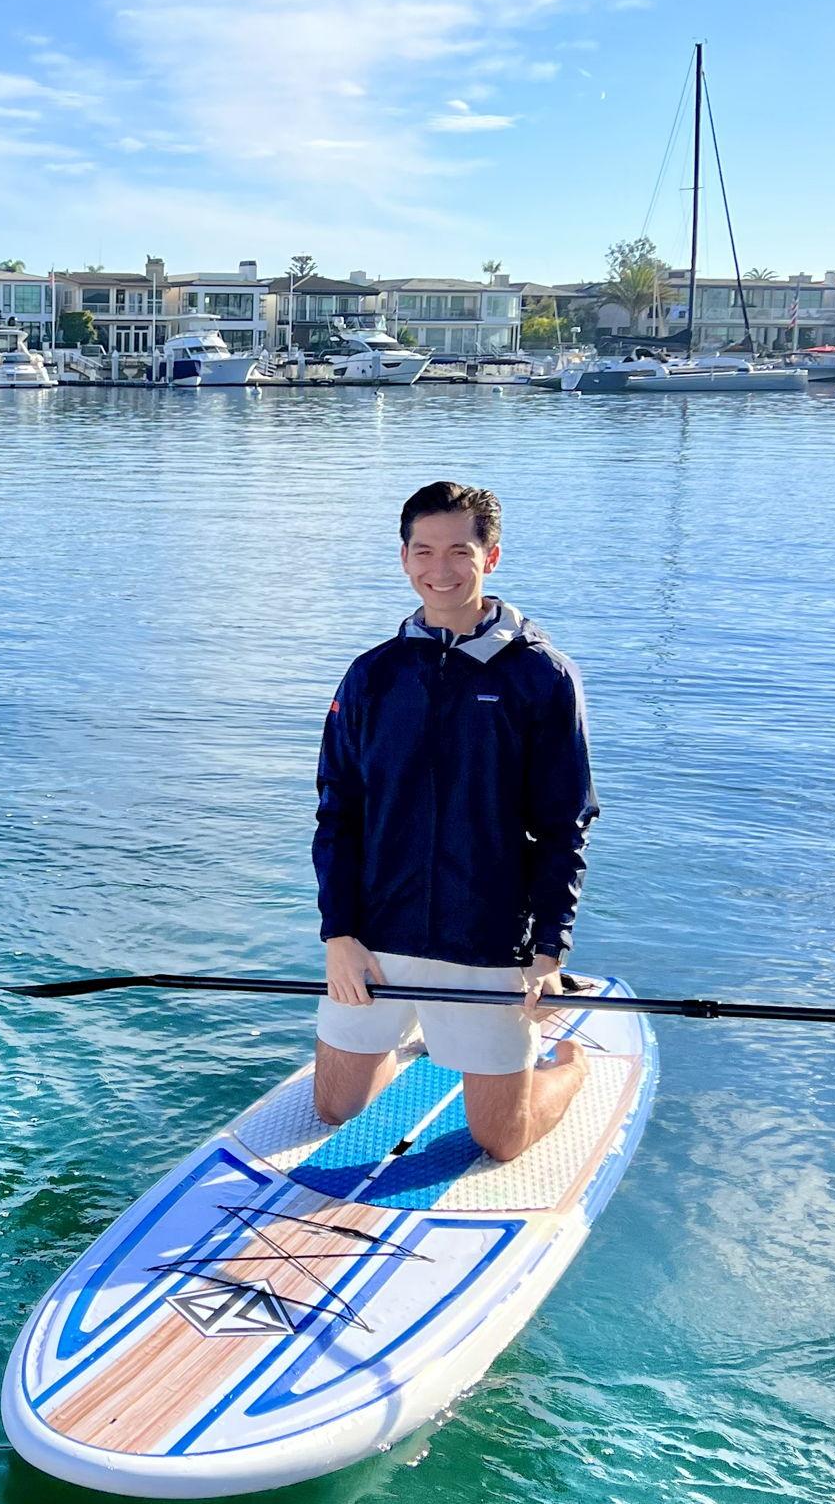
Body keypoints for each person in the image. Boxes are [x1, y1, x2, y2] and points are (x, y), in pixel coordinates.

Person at [312, 481, 597, 1161]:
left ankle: (571, 1064)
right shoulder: (370, 676)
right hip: (377, 935)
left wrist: (547, 953)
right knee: (334, 1110)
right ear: (405, 558)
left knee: (501, 1141)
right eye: (424, 551)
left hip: (489, 942)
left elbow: (565, 824)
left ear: (490, 557)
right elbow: (338, 811)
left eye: (459, 551)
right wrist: (339, 935)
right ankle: (419, 1039)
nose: (441, 569)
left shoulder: (542, 677)